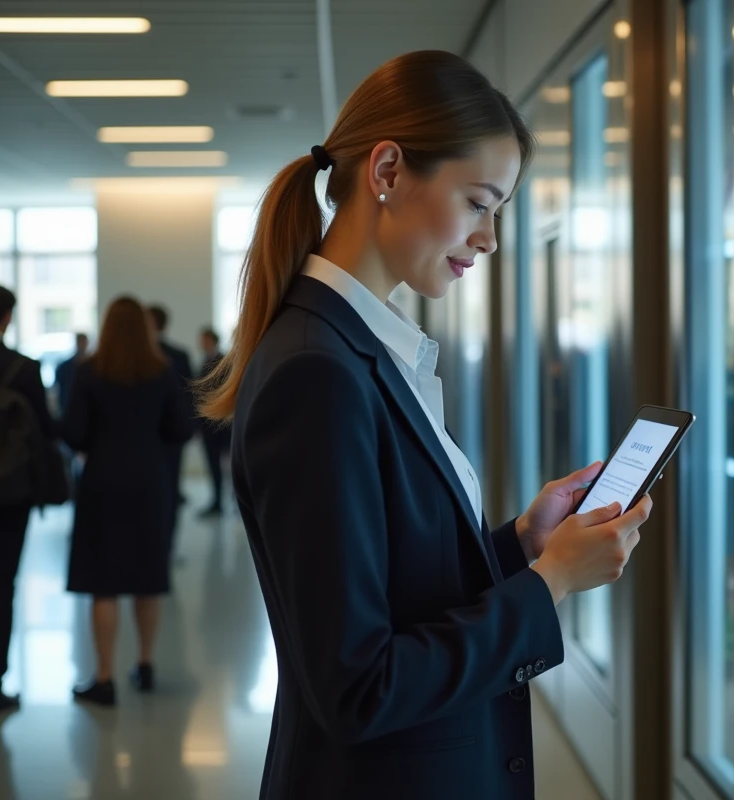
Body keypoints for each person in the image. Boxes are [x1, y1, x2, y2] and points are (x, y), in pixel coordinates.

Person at [195, 51, 649, 800]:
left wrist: (519, 546)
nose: (490, 238)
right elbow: (358, 684)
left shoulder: (362, 348)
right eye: (478, 203)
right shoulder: (319, 372)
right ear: (388, 172)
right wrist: (550, 582)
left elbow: (398, 585)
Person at [63, 296, 192, 707]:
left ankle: (103, 678)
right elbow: (181, 427)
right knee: (147, 578)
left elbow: (74, 432)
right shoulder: (163, 371)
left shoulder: (88, 372)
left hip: (101, 480)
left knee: (102, 583)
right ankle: (146, 663)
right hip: (149, 480)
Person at [0, 284, 55, 715]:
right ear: (8, 317)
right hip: (12, 492)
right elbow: (45, 432)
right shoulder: (23, 369)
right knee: (1, 586)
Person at [146, 305, 194, 556]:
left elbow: (189, 394)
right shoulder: (175, 354)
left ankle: (166, 543)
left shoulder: (175, 355)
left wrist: (187, 428)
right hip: (159, 438)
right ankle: (159, 543)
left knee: (171, 489)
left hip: (168, 437)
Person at [196, 327, 230, 518]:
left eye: (203, 339)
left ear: (211, 340)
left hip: (221, 425)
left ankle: (227, 501)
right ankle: (217, 501)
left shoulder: (222, 361)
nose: (200, 342)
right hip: (208, 426)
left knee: (227, 465)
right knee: (213, 465)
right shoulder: (206, 360)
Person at [54, 332, 90, 417]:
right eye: (80, 342)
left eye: (83, 342)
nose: (82, 345)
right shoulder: (65, 367)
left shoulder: (93, 367)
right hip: (69, 407)